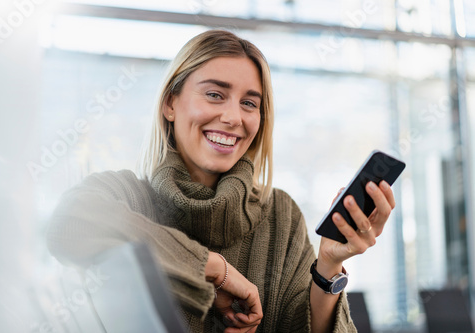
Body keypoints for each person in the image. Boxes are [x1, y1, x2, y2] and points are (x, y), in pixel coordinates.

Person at [46, 30, 396, 333]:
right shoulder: (127, 196)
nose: (233, 117)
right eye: (215, 94)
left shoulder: (280, 215)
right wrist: (213, 268)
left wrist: (329, 266)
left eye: (249, 103)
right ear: (171, 102)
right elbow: (68, 224)